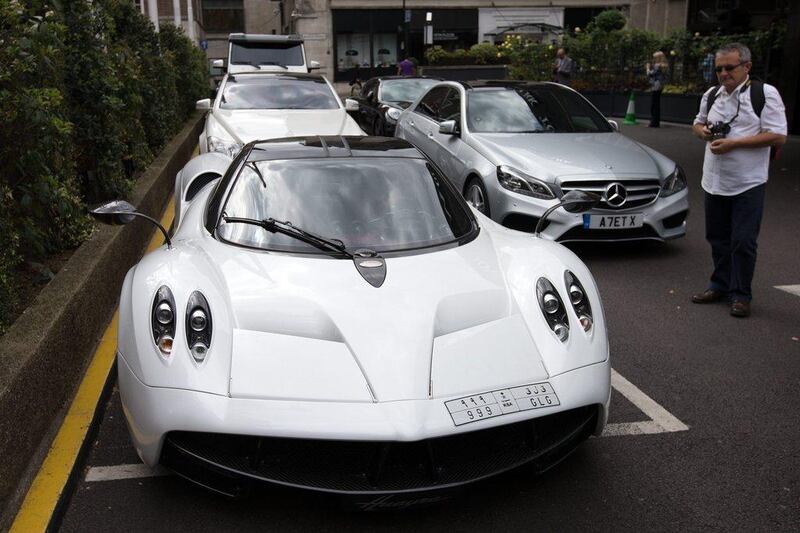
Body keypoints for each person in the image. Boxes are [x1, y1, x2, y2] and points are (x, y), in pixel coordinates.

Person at [690, 42, 787, 317]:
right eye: (719, 68)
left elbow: (778, 135)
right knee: (717, 238)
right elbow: (696, 124)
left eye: (729, 68)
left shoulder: (764, 94)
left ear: (747, 66)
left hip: (748, 182)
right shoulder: (712, 95)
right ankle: (719, 285)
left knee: (743, 241)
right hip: (714, 181)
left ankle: (741, 294)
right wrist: (704, 133)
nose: (723, 73)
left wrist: (735, 144)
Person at [646, 51, 668, 127]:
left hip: (656, 85)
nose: (654, 59)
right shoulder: (664, 65)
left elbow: (650, 74)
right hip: (660, 85)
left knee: (654, 104)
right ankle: (656, 121)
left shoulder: (658, 65)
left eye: (655, 57)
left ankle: (653, 122)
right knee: (657, 104)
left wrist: (647, 68)